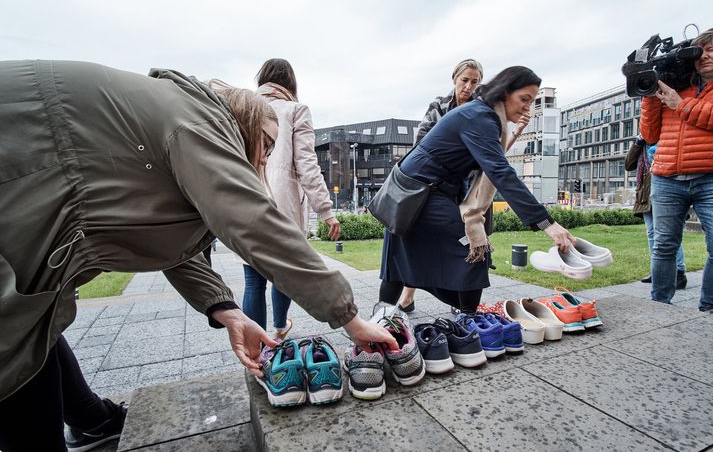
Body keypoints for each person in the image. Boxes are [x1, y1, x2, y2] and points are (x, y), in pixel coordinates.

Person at [0, 60, 397, 452]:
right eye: (267, 146)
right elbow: (250, 217)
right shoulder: (199, 120)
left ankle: (90, 421)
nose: (264, 160)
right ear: (242, 124)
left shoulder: (178, 116)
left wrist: (228, 311)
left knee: (33, 314)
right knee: (10, 335)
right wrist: (351, 319)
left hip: (28, 173)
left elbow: (160, 239)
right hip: (21, 154)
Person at [379, 66, 575, 313]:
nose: (528, 107)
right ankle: (469, 324)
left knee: (399, 261)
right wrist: (547, 223)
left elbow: (494, 163)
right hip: (416, 193)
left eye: (532, 101)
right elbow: (500, 171)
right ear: (504, 93)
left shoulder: (483, 114)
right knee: (475, 248)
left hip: (418, 190)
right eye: (524, 99)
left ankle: (385, 324)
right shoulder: (480, 117)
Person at [242, 58, 341, 339]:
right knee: (282, 274)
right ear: (290, 83)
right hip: (281, 203)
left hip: (246, 197)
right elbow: (307, 164)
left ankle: (257, 345)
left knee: (253, 279)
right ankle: (279, 329)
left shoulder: (243, 108)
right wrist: (325, 211)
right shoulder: (296, 110)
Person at [640, 28, 713, 312]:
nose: (705, 56)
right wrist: (650, 94)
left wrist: (680, 105)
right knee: (664, 246)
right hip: (668, 176)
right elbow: (649, 134)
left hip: (709, 176)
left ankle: (708, 307)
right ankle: (659, 305)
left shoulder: (679, 97)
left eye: (711, 50)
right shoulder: (675, 85)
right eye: (701, 50)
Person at [625, 137, 687, 288]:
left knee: (668, 234)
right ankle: (658, 272)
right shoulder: (641, 144)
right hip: (646, 195)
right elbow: (629, 165)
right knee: (652, 233)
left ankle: (679, 273)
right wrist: (638, 143)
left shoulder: (667, 137)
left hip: (666, 191)